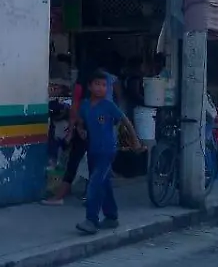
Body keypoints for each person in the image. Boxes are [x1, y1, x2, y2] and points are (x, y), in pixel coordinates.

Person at [42, 61, 121, 206]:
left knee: (74, 162)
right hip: (99, 133)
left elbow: (75, 108)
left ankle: (62, 196)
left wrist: (73, 129)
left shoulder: (81, 86)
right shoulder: (106, 87)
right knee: (96, 166)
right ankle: (95, 198)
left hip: (85, 130)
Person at [75, 70, 144, 235]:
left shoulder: (109, 106)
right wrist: (80, 129)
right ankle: (111, 217)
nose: (101, 88)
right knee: (103, 183)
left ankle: (91, 220)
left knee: (94, 185)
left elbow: (126, 122)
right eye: (97, 84)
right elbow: (80, 122)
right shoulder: (85, 105)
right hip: (92, 150)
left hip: (107, 150)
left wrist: (135, 142)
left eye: (104, 85)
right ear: (90, 87)